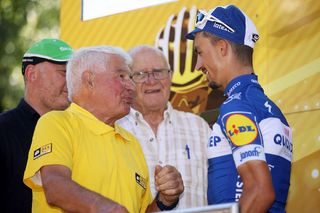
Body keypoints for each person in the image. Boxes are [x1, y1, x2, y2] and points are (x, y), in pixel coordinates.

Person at [23, 46, 184, 213]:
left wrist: (164, 200)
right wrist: (103, 207)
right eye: (122, 76)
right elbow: (55, 186)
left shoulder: (132, 143)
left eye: (130, 77)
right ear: (89, 80)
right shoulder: (57, 123)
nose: (131, 86)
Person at [186, 4, 292, 213]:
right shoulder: (267, 107)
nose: (198, 65)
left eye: (200, 52)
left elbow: (261, 192)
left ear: (222, 48)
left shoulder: (237, 106)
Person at [116, 45, 211, 209]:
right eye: (141, 74)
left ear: (170, 76)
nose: (151, 80)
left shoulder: (199, 128)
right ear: (128, 82)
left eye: (158, 72)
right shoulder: (115, 129)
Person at [0, 38, 73, 213]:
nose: (71, 81)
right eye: (64, 72)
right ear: (32, 74)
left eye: (73, 74)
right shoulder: (3, 130)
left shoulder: (76, 129)